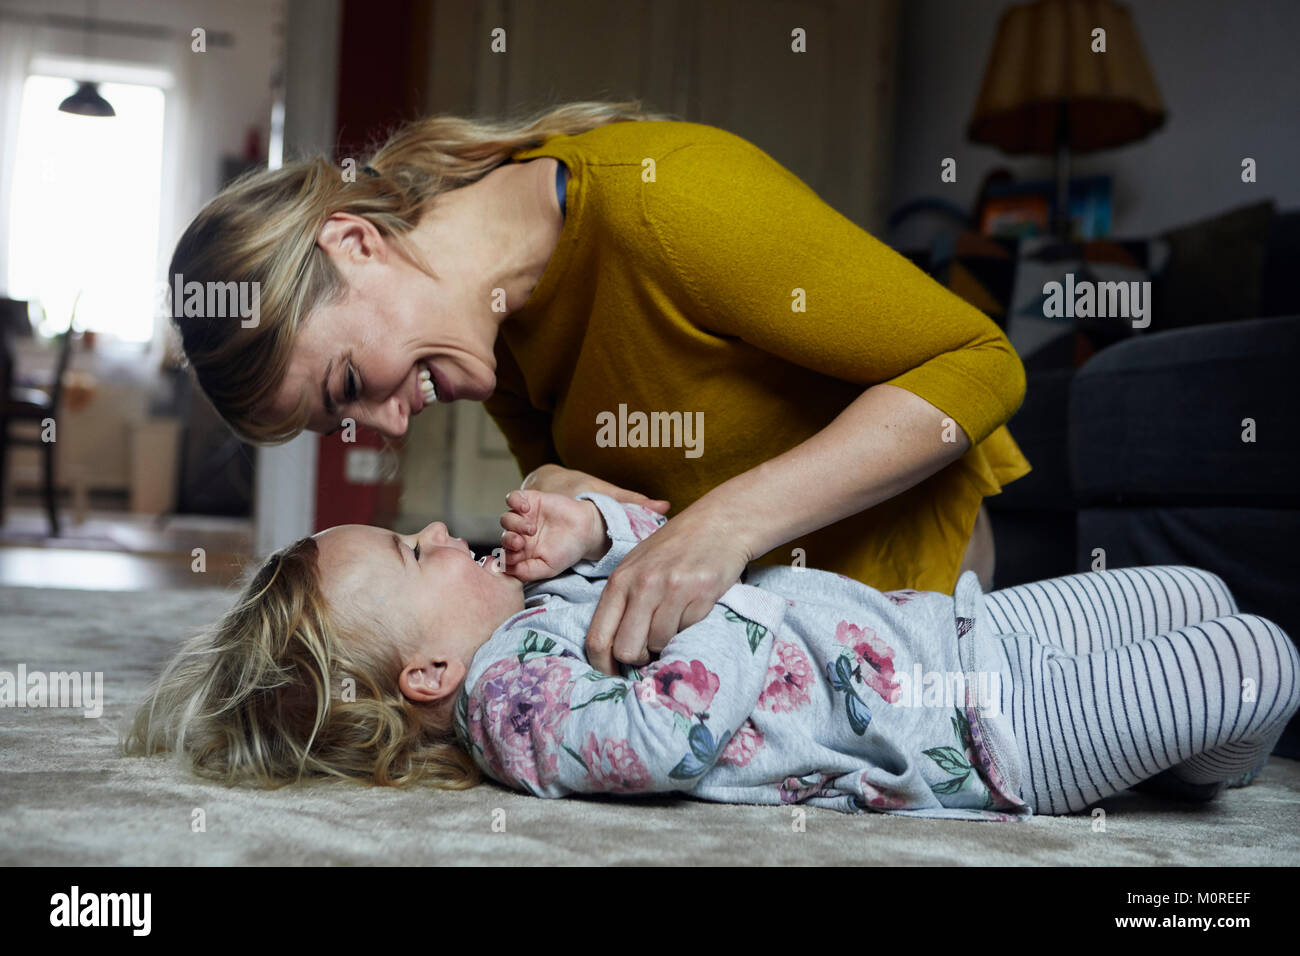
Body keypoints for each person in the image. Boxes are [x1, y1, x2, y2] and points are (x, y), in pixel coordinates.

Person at [166, 100, 1031, 675]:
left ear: (352, 242)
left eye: (349, 381)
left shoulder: (671, 203)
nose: (386, 426)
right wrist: (560, 495)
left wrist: (722, 525)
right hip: (752, 633)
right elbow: (616, 511)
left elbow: (980, 360)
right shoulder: (485, 336)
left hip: (912, 601)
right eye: (343, 417)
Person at [123, 491, 1299, 821]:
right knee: (1252, 662)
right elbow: (661, 734)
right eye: (411, 550)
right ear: (428, 673)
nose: (440, 529)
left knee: (1195, 589)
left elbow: (666, 555)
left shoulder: (527, 604)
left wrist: (601, 529)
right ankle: (1188, 770)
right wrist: (730, 598)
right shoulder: (513, 709)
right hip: (972, 733)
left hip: (954, 628)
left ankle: (1169, 751)